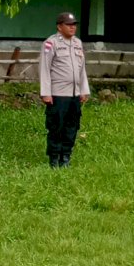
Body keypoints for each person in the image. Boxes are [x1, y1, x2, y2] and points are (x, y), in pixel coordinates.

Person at [39, 11, 90, 168]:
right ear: (59, 27)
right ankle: (54, 158)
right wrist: (46, 93)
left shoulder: (77, 43)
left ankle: (65, 157)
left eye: (74, 24)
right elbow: (44, 68)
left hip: (74, 94)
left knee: (72, 127)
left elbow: (82, 69)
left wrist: (84, 90)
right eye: (68, 25)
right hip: (58, 94)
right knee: (56, 126)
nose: (72, 27)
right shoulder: (51, 43)